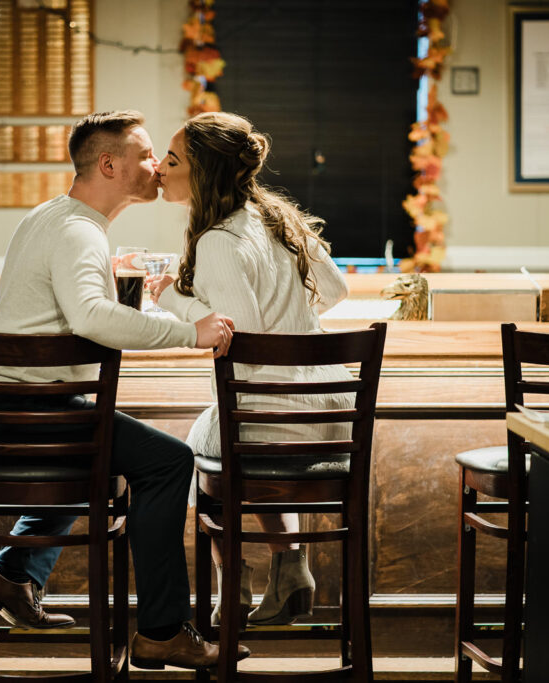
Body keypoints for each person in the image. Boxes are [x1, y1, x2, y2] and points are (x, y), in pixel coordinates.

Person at [0, 110, 247, 670]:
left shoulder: (54, 216)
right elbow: (93, 318)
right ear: (108, 164)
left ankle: (13, 574)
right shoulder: (79, 230)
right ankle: (163, 631)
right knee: (170, 461)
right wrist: (189, 332)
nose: (156, 166)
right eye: (147, 155)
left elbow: (77, 314)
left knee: (99, 440)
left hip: (10, 411)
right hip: (30, 414)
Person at [149, 111, 353, 627]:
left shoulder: (218, 239)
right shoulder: (277, 217)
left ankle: (232, 583)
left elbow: (243, 340)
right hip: (329, 412)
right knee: (225, 428)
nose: (160, 169)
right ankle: (288, 567)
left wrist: (173, 298)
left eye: (172, 160)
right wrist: (292, 321)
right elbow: (335, 290)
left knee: (194, 451)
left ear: (204, 171)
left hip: (271, 417)